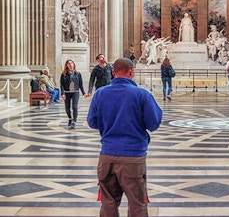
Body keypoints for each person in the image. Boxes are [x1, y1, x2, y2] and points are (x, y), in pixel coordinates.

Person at [87, 58, 163, 217]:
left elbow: (92, 122)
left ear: (113, 73)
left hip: (107, 156)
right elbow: (153, 124)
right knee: (137, 203)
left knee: (108, 203)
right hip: (133, 157)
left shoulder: (100, 94)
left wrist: (109, 123)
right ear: (132, 72)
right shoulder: (142, 95)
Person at [60, 59, 86, 129]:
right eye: (69, 64)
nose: (70, 65)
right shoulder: (63, 74)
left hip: (75, 92)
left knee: (75, 107)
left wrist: (84, 93)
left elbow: (81, 84)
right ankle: (70, 118)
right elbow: (61, 84)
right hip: (67, 92)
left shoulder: (78, 74)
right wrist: (62, 93)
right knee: (67, 108)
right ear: (67, 66)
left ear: (74, 65)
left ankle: (74, 122)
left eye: (72, 63)